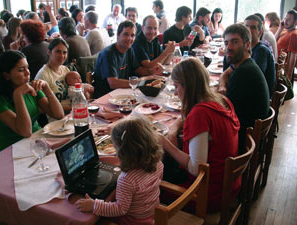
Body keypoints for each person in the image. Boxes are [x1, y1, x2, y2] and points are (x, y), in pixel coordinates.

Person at [160, 57, 240, 212]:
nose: (175, 93)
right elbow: (182, 118)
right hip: (229, 183)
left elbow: (196, 168)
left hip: (206, 194)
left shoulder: (200, 114)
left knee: (149, 187)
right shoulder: (220, 100)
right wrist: (173, 130)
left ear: (188, 86)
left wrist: (165, 143)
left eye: (176, 86)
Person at [75, 116, 164, 224]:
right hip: (151, 213)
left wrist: (94, 205)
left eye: (116, 148)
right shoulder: (158, 163)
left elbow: (120, 209)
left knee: (97, 221)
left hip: (133, 221)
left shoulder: (127, 179)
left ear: (123, 151)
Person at [0, 50, 64, 151]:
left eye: (27, 68)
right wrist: (18, 95)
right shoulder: (0, 100)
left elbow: (59, 114)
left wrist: (47, 88)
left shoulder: (31, 88)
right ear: (6, 75)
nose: (28, 73)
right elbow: (25, 132)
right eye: (21, 70)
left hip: (38, 143)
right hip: (13, 150)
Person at [219, 23, 270, 152]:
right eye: (226, 43)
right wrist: (222, 84)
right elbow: (226, 74)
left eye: (234, 42)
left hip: (241, 144)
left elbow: (223, 112)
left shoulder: (244, 73)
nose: (229, 47)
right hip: (248, 135)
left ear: (247, 45)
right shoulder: (246, 64)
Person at [93, 20, 163, 98]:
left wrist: (151, 72)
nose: (129, 38)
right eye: (126, 34)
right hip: (106, 97)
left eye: (132, 35)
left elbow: (138, 70)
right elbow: (113, 83)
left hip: (122, 94)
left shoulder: (129, 49)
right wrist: (141, 81)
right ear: (118, 35)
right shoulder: (108, 53)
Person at [35, 38, 71, 113]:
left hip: (71, 113)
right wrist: (72, 108)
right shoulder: (43, 74)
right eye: (58, 51)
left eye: (65, 52)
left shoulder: (65, 70)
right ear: (49, 52)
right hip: (55, 118)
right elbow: (42, 107)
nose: (62, 55)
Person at [244, 15, 276, 97]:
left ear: (260, 32)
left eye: (253, 27)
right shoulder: (250, 49)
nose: (248, 30)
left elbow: (254, 78)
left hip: (257, 98)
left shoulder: (261, 51)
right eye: (246, 26)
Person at [275, 10, 297, 83]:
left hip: (282, 68)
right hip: (276, 63)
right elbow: (273, 42)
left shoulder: (294, 34)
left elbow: (293, 56)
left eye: (289, 20)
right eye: (285, 19)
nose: (285, 21)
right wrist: (280, 29)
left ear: (295, 22)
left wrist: (288, 76)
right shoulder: (284, 30)